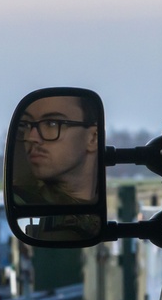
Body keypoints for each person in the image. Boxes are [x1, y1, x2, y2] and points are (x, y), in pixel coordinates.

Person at [11, 94, 101, 240]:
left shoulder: (92, 216)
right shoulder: (22, 200)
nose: (31, 137)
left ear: (93, 138)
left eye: (52, 123)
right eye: (26, 125)